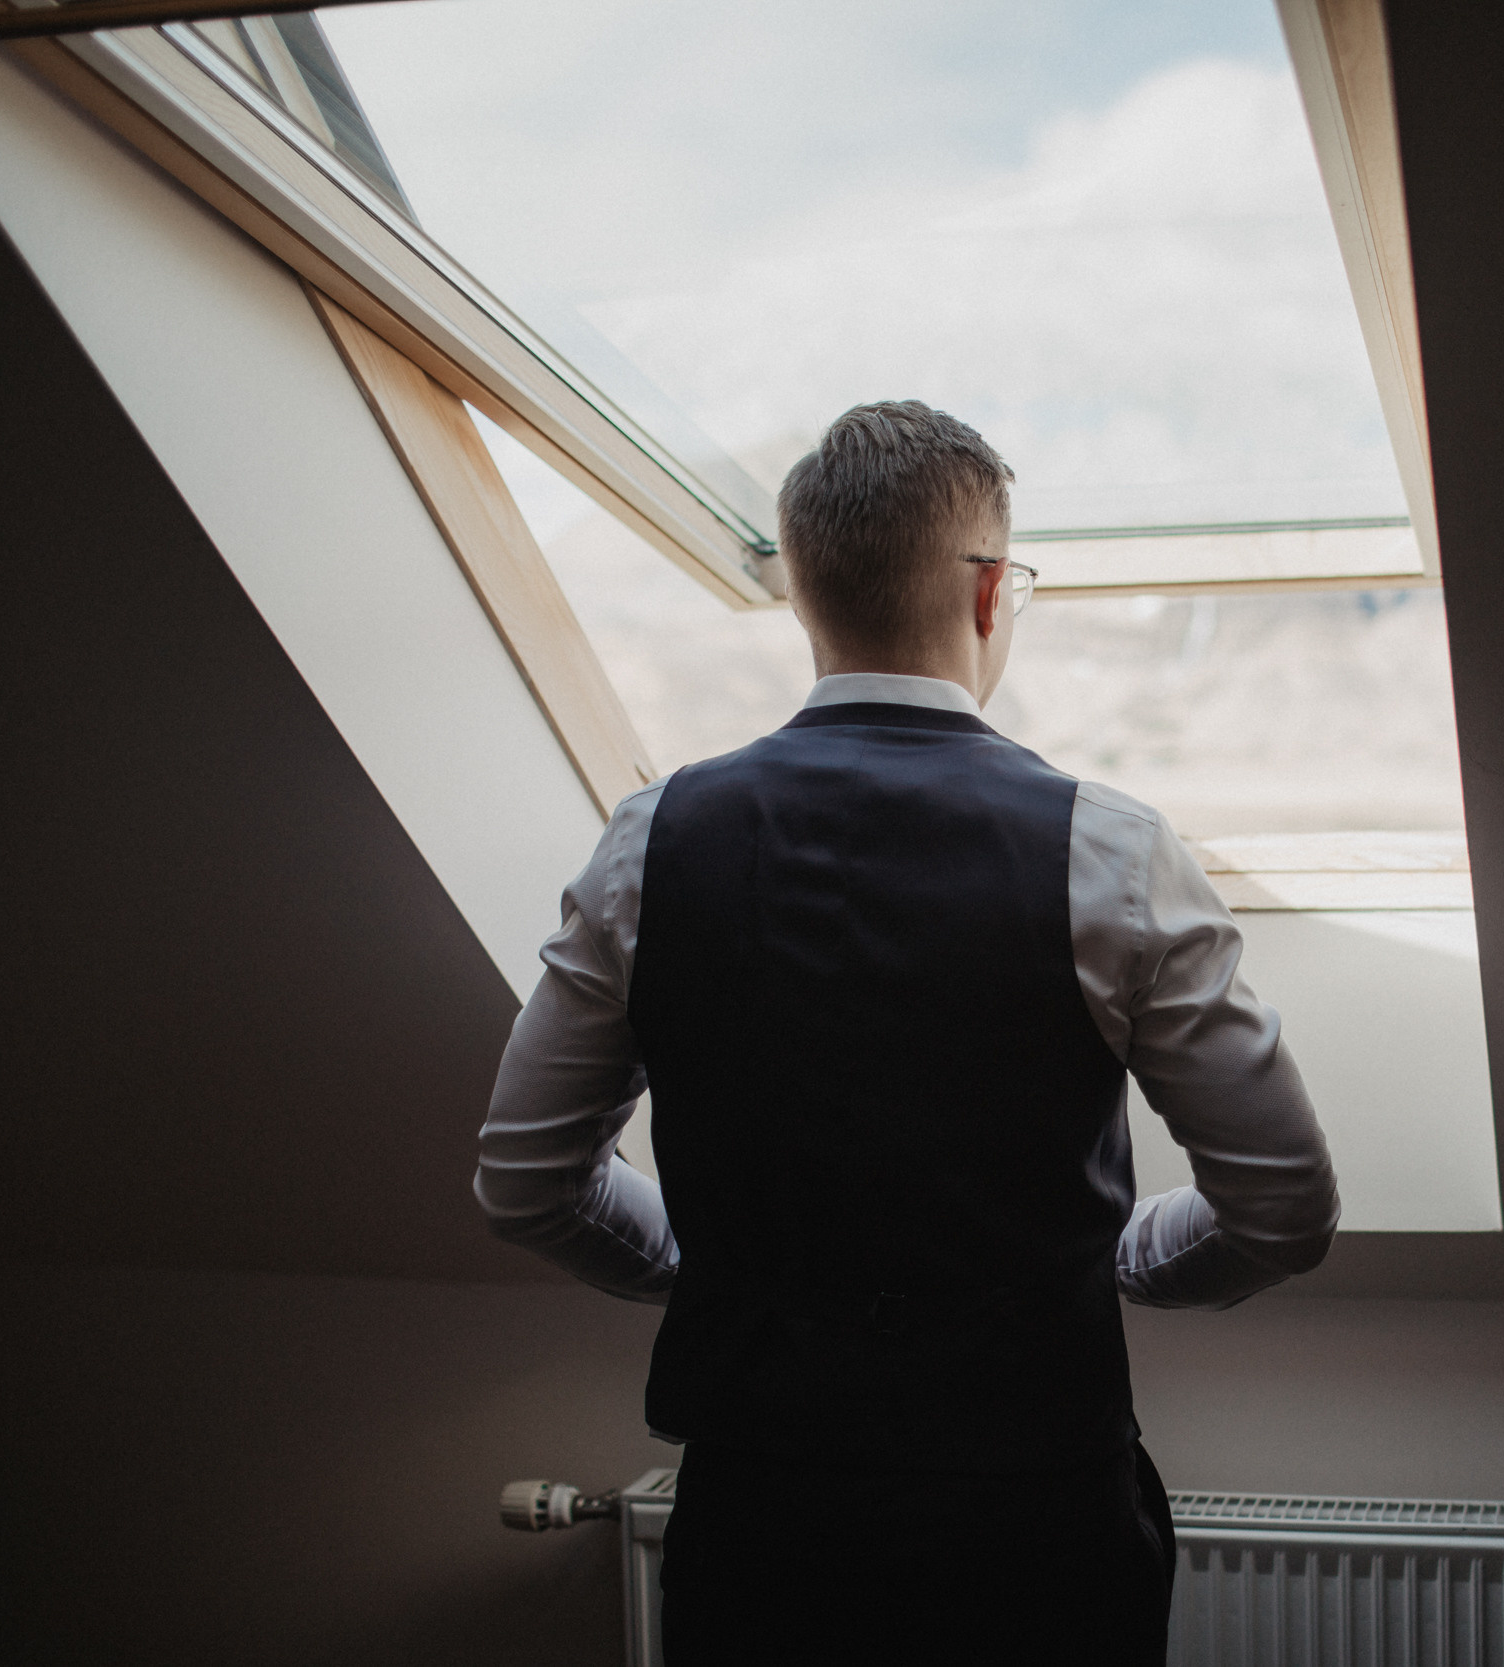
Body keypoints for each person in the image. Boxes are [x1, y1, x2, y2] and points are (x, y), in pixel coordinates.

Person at [475, 400, 1340, 1664]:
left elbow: (527, 1181)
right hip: (1036, 1516)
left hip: (764, 1519)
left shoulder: (649, 845)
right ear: (991, 593)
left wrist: (706, 1263)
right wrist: (1116, 1259)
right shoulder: (1110, 849)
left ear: (803, 596)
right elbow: (1281, 1210)